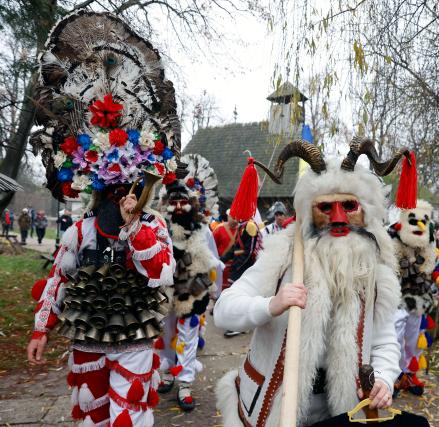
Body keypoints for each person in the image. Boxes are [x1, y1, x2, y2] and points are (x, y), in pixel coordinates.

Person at [25, 11, 181, 426]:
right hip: (87, 343)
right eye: (109, 191)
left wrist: (133, 229)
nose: (118, 198)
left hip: (134, 343)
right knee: (92, 421)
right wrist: (42, 329)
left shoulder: (153, 227)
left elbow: (160, 272)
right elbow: (58, 279)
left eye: (125, 190)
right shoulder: (82, 231)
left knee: (126, 420)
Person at [214, 137, 405, 426]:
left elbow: (384, 342)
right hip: (272, 407)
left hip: (342, 411)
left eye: (349, 205)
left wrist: (384, 379)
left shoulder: (375, 272)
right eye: (326, 208)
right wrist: (271, 305)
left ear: (365, 210)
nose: (339, 218)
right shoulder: (284, 252)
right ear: (310, 211)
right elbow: (224, 312)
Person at [156, 153, 224, 411]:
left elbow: (213, 262)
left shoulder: (202, 230)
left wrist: (210, 291)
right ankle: (167, 372)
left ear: (192, 203)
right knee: (166, 334)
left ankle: (185, 382)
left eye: (184, 201)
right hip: (165, 291)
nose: (179, 207)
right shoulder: (160, 228)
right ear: (166, 203)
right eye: (174, 202)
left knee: (188, 336)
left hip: (192, 292)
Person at [388, 195, 439, 397]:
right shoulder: (393, 241)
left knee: (414, 338)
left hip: (419, 300)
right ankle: (393, 375)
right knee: (394, 336)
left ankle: (409, 374)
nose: (419, 224)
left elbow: (437, 267)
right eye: (413, 220)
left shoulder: (429, 245)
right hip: (396, 300)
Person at [212, 158, 263, 338]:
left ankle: (241, 325)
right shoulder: (242, 226)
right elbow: (235, 248)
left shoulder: (249, 226)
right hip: (236, 266)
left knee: (241, 295)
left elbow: (248, 252)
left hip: (244, 267)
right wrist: (223, 261)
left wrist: (238, 268)